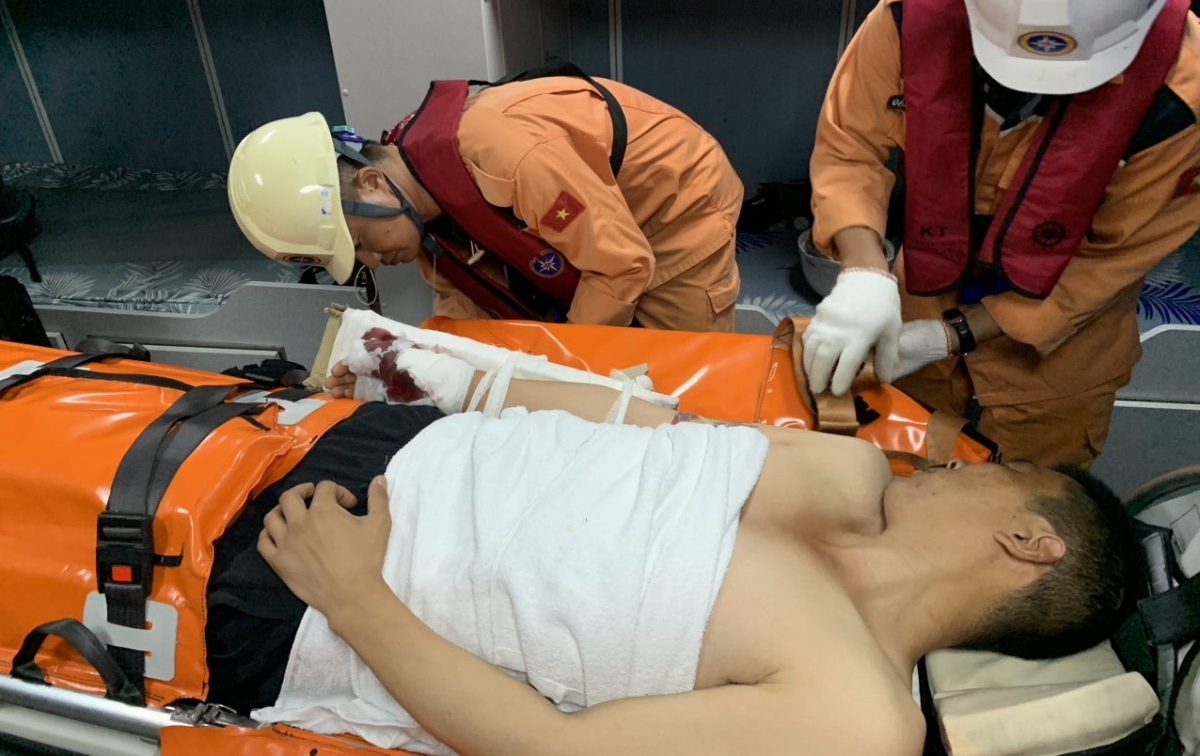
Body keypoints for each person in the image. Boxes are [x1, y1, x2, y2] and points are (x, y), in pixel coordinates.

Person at [205, 343, 1138, 756]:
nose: (962, 462)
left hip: (317, 597)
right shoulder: (847, 474)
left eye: (1001, 469)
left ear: (1028, 540)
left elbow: (551, 745)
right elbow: (651, 426)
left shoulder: (859, 713)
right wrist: (447, 380)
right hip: (381, 442)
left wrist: (354, 593)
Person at [803, 0, 1200, 468]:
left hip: (1051, 374)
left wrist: (951, 336)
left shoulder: (1183, 98)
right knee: (892, 506)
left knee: (1020, 538)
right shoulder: (911, 14)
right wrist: (862, 273)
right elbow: (851, 149)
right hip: (912, 317)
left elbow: (1105, 265)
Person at [227, 68, 743, 331]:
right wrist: (428, 363)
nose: (371, 263)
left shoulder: (505, 156)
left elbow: (621, 264)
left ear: (371, 184)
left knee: (683, 377)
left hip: (675, 207)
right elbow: (464, 299)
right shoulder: (424, 209)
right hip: (601, 223)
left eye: (358, 241)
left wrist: (559, 371)